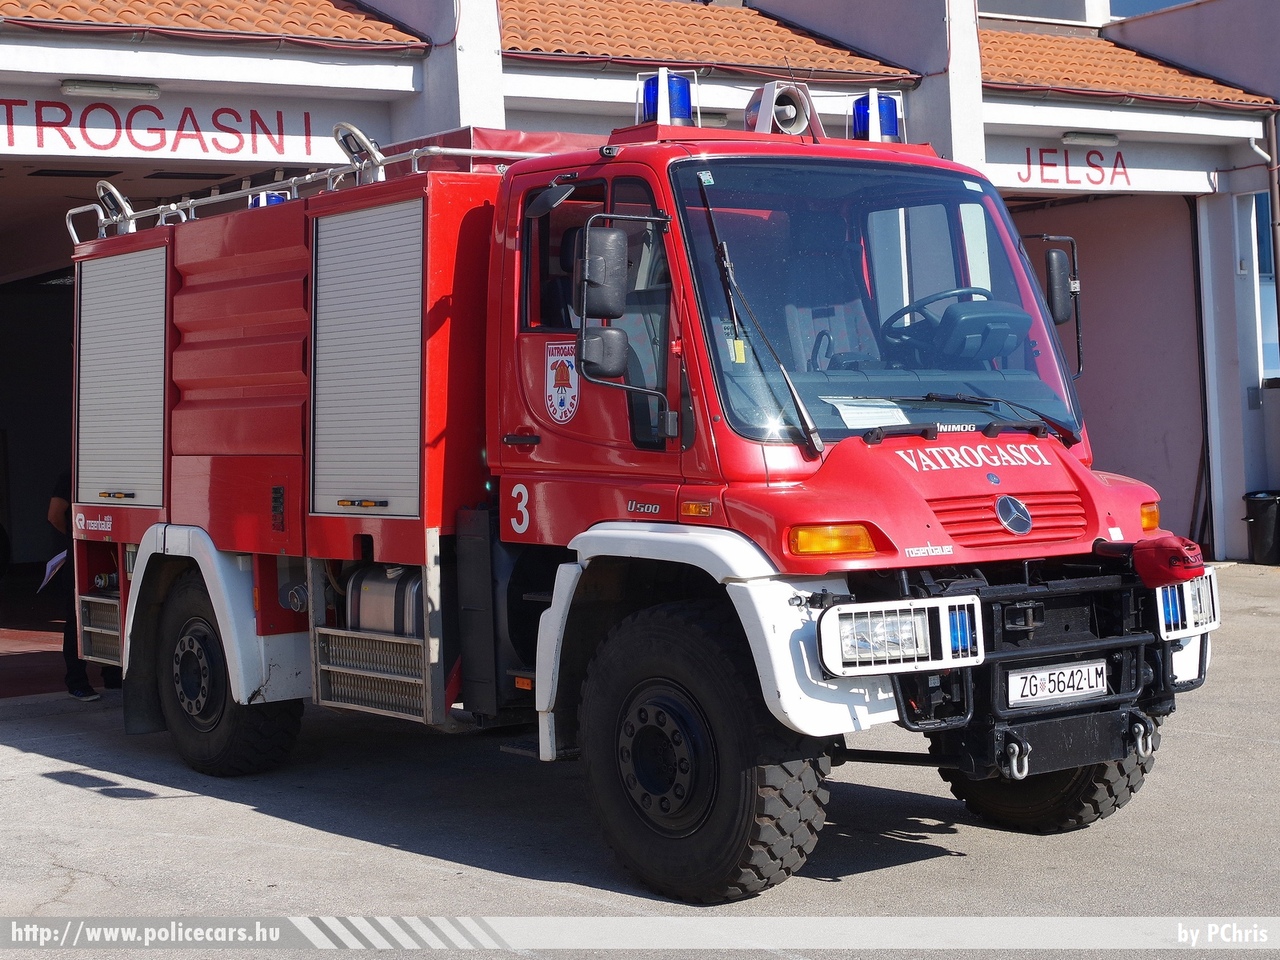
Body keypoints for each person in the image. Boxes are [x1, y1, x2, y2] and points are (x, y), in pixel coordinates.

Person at [48, 469, 121, 700]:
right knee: (76, 619)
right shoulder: (70, 474)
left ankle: (112, 675)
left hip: (108, 550)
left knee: (110, 612)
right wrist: (75, 534)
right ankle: (76, 682)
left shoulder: (111, 473)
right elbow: (54, 515)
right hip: (79, 554)